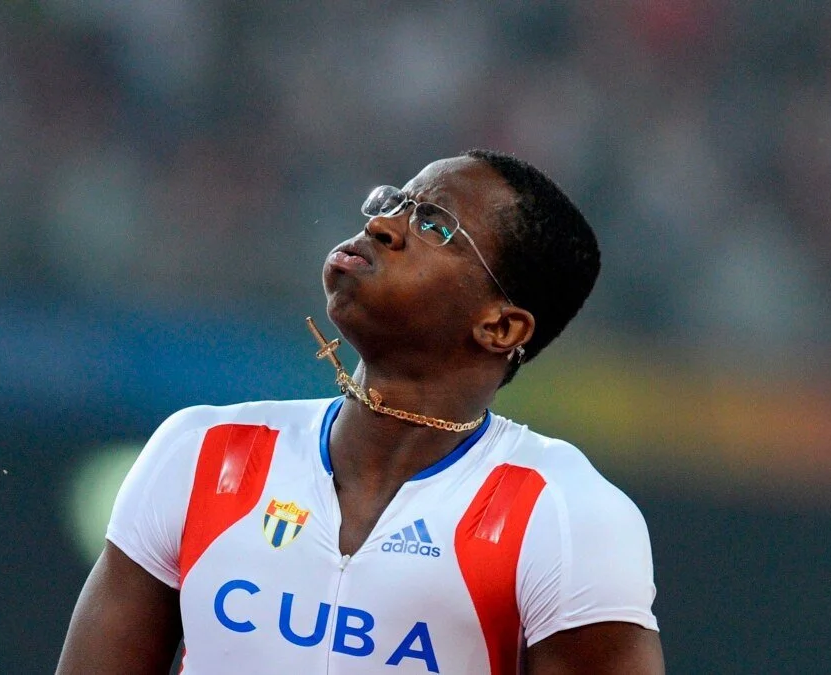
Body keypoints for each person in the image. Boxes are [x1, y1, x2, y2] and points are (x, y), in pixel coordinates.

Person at [56, 150, 664, 674]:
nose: (383, 225)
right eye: (395, 202)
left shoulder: (566, 516)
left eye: (434, 225)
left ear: (500, 326)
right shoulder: (203, 452)